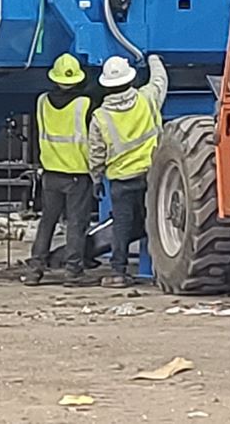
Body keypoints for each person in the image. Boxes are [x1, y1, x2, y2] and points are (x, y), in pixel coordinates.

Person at [86, 52, 167, 288]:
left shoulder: (100, 116)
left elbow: (96, 153)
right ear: (130, 79)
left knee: (121, 226)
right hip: (150, 175)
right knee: (155, 221)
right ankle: (159, 270)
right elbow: (160, 81)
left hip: (121, 181)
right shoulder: (146, 99)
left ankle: (118, 272)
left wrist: (96, 179)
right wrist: (153, 58)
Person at [23, 53, 96, 286]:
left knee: (48, 221)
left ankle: (35, 268)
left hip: (50, 173)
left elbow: (36, 134)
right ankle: (73, 272)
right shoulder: (84, 104)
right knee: (76, 223)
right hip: (77, 174)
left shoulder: (42, 101)